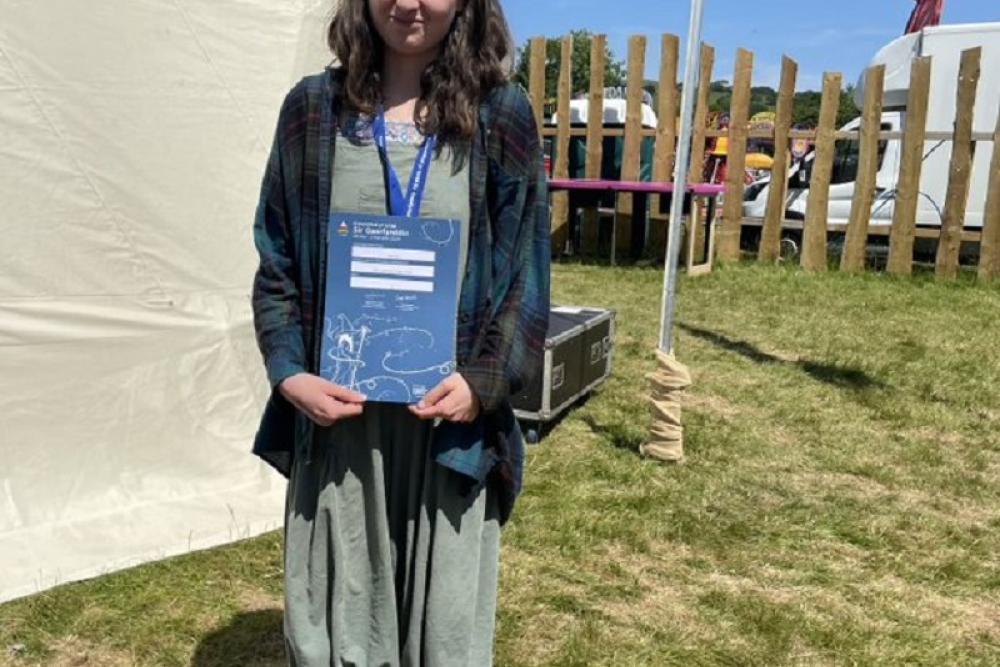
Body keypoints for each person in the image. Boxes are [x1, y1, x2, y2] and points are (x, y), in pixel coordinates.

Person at [249, 0, 550, 664]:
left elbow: (526, 274)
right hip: (339, 428)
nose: (408, 3)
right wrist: (290, 371)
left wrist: (483, 382)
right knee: (332, 629)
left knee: (441, 636)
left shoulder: (501, 116)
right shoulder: (311, 110)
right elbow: (276, 258)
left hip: (447, 430)